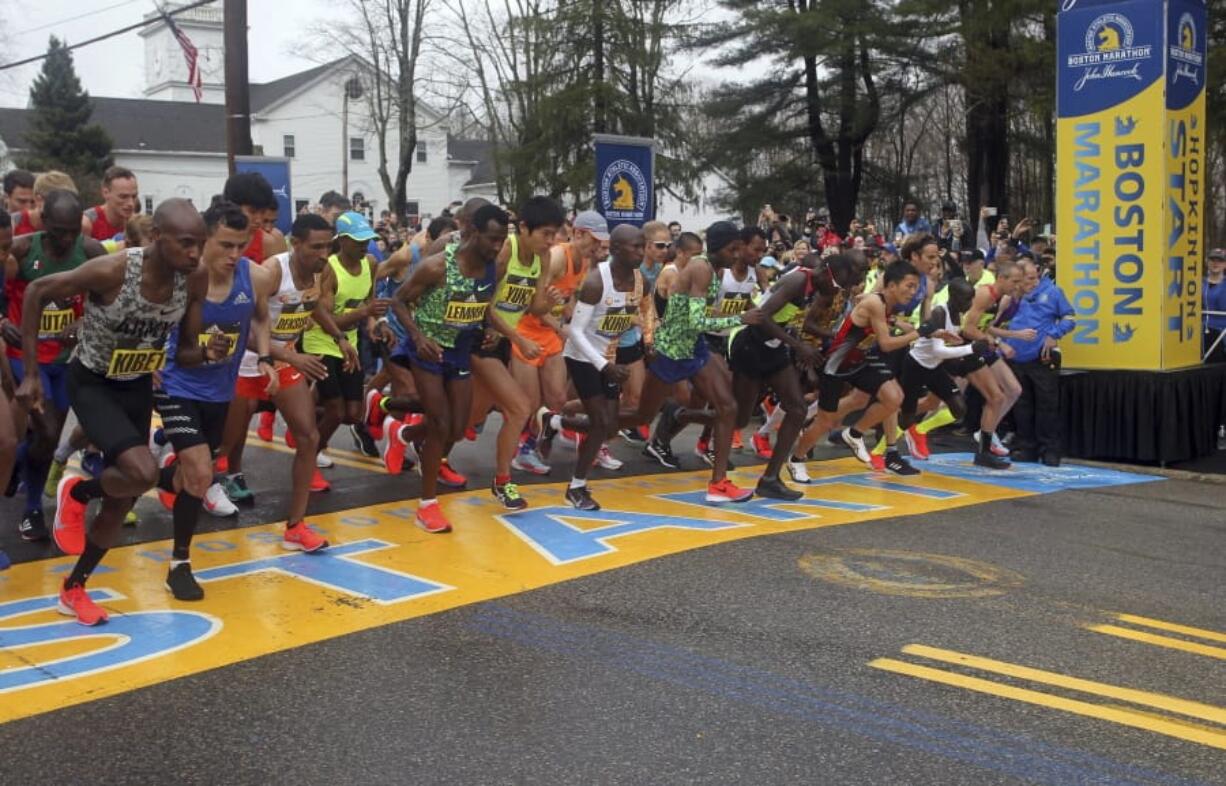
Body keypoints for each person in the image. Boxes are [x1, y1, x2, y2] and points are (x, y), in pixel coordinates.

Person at [17, 198, 213, 626]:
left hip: (137, 383)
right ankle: (82, 491)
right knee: (142, 473)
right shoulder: (115, 270)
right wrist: (31, 374)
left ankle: (75, 586)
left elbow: (184, 352)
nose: (195, 253)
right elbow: (36, 291)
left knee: (123, 495)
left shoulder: (194, 278)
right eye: (185, 243)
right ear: (158, 237)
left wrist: (208, 351)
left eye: (200, 243)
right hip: (92, 381)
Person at [152, 200, 296, 601]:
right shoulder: (184, 278)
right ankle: (180, 564)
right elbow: (148, 315)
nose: (234, 255)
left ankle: (99, 487)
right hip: (176, 385)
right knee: (200, 474)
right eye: (226, 245)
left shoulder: (255, 276)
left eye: (241, 245)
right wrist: (148, 359)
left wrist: (265, 357)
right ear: (204, 240)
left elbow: (262, 315)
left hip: (219, 390)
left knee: (189, 479)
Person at [384, 204, 510, 533]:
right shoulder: (437, 266)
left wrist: (489, 329)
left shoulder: (490, 268)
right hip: (428, 349)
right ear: (474, 233)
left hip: (460, 350)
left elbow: (480, 304)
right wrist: (418, 336)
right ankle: (427, 505)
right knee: (440, 424)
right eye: (493, 239)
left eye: (502, 240)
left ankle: (402, 433)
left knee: (457, 429)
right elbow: (398, 300)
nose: (498, 247)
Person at [2, 190, 107, 543]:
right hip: (25, 357)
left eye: (71, 232)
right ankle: (32, 509)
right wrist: (3, 321)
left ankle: (18, 462)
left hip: (64, 361)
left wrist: (82, 324)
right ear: (44, 222)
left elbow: (107, 299)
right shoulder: (20, 249)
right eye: (59, 230)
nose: (65, 240)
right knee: (47, 433)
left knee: (44, 439)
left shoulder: (90, 252)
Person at [221, 214, 342, 515]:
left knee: (308, 435)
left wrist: (340, 337)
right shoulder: (271, 272)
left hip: (284, 357)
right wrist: (289, 356)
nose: (324, 254)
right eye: (316, 247)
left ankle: (297, 524)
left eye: (328, 246)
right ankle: (221, 474)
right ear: (295, 243)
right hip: (247, 359)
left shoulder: (322, 271)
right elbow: (242, 330)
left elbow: (311, 306)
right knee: (227, 440)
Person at [734, 251, 866, 497]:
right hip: (751, 346)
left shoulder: (817, 288)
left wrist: (798, 348)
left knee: (797, 408)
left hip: (775, 350)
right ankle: (680, 416)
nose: (836, 290)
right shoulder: (797, 281)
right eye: (836, 284)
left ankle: (770, 480)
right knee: (738, 420)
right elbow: (760, 318)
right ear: (825, 271)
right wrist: (798, 346)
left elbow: (789, 322)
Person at [466, 196, 563, 509]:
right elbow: (482, 301)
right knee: (520, 408)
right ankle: (503, 481)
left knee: (472, 415)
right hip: (480, 336)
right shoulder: (504, 249)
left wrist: (548, 303)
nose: (551, 241)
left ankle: (414, 432)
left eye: (555, 234)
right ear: (523, 228)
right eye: (545, 234)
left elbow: (533, 307)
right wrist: (516, 338)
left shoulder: (543, 258)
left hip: (502, 340)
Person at [554, 224, 649, 510]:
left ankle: (554, 422)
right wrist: (603, 366)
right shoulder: (596, 282)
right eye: (636, 247)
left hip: (609, 356)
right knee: (599, 424)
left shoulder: (641, 280)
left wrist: (648, 338)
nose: (641, 252)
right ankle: (576, 487)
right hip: (583, 357)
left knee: (608, 427)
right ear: (617, 250)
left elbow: (642, 314)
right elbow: (575, 331)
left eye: (643, 246)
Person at [300, 211, 377, 491]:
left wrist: (373, 323)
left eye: (367, 239)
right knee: (335, 409)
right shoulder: (329, 269)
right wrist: (363, 313)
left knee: (353, 414)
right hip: (322, 341)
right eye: (358, 240)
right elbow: (328, 316)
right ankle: (308, 458)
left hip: (350, 343)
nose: (364, 245)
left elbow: (369, 300)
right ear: (341, 241)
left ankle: (307, 420)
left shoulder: (371, 263)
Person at [1006, 260, 1075, 466]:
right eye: (1027, 279)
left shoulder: (1053, 292)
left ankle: (1050, 450)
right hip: (1017, 357)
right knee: (1022, 406)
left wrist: (1055, 334)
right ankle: (1027, 448)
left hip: (1042, 358)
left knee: (1047, 406)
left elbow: (1070, 318)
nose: (1032, 283)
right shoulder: (1012, 296)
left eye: (1034, 278)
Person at [224, 172, 287, 263]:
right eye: (252, 212)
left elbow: (279, 276)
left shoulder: (267, 243)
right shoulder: (211, 238)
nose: (258, 220)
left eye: (262, 212)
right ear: (233, 206)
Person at [84, 166, 139, 244]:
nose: (131, 203)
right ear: (105, 193)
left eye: (134, 196)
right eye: (123, 197)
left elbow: (141, 256)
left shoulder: (138, 225)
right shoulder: (87, 224)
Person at [1203, 249, 1226, 362]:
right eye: (1212, 260)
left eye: (1220, 260)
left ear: (1225, 264)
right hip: (1199, 334)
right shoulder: (1198, 283)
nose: (1216, 263)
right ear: (1207, 261)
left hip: (1222, 334)